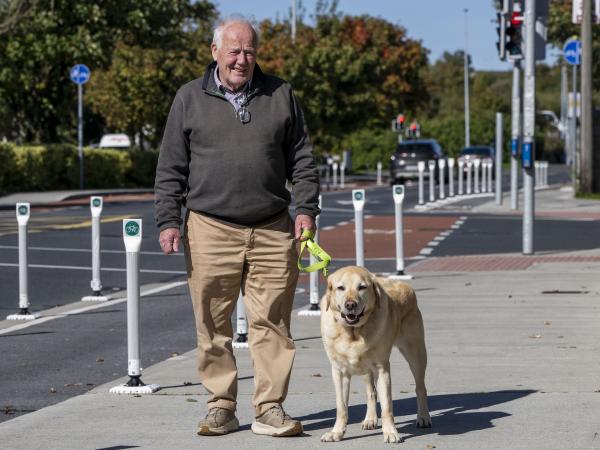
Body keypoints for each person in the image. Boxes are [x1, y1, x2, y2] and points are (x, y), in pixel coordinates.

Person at [154, 17, 320, 437]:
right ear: (214, 52)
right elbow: (171, 165)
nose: (241, 59)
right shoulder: (189, 97)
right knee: (212, 324)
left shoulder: (280, 93)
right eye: (233, 51)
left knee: (273, 324)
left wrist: (306, 210)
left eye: (249, 51)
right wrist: (168, 221)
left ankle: (269, 408)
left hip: (273, 228)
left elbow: (302, 158)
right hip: (209, 227)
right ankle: (220, 406)